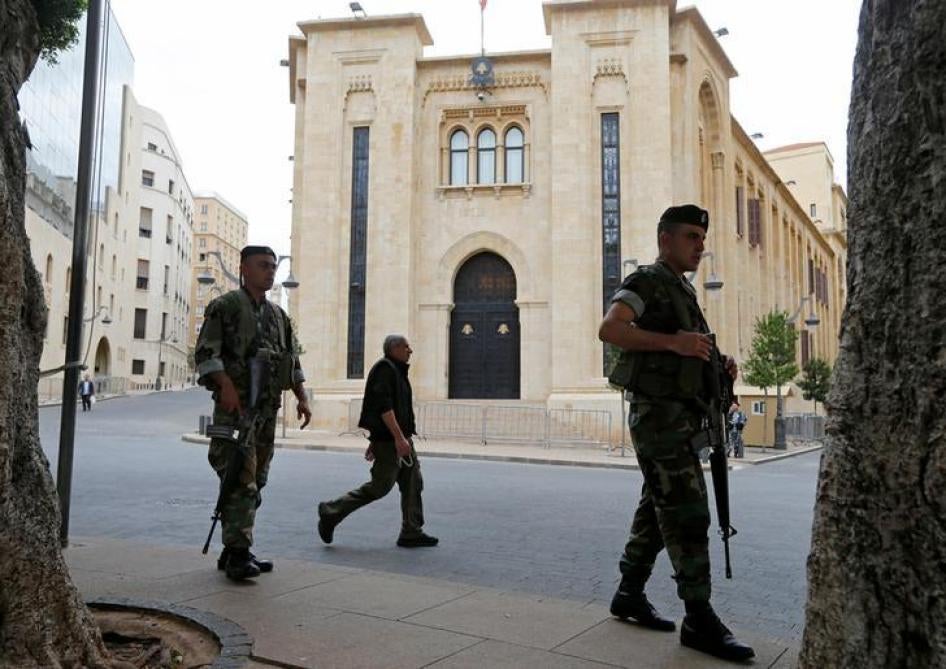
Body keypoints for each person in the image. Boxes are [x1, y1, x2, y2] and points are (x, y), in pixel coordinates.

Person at [598, 205, 754, 662]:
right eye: (691, 237)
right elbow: (611, 328)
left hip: (681, 419)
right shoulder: (648, 281)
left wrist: (716, 360)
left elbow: (688, 347)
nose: (700, 245)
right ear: (665, 239)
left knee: (656, 507)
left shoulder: (681, 289)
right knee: (687, 512)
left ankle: (629, 592)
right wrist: (675, 343)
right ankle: (698, 617)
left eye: (702, 238)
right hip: (659, 418)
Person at [195, 245, 312, 581]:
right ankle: (238, 554)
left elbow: (291, 360)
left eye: (273, 266)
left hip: (265, 412)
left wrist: (302, 397)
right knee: (239, 480)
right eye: (263, 265)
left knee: (256, 481)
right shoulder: (226, 307)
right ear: (244, 268)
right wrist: (226, 385)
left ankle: (233, 548)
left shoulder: (279, 316)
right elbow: (206, 353)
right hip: (235, 413)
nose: (270, 271)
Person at [317, 335, 437, 548]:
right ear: (394, 348)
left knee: (413, 483)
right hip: (393, 442)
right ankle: (331, 511)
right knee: (380, 486)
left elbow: (391, 410)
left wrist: (386, 439)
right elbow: (384, 408)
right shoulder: (385, 369)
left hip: (401, 440)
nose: (410, 350)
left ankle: (411, 531)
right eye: (406, 347)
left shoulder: (396, 370)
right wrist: (396, 438)